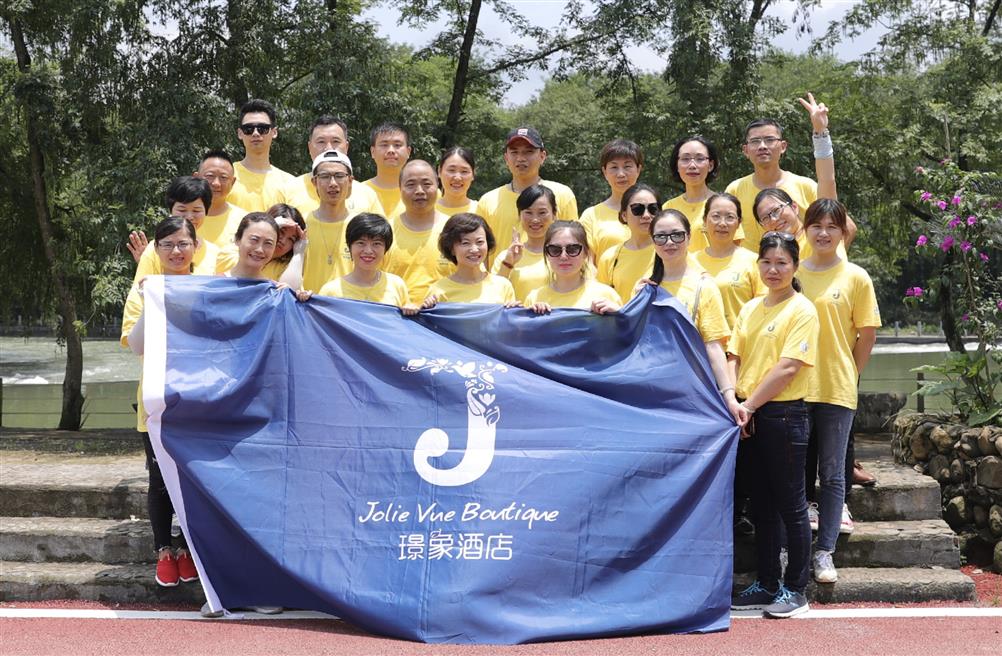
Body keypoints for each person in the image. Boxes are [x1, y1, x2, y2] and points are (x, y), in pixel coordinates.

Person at [728, 232, 819, 619]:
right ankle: (766, 583)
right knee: (762, 505)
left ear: (795, 266)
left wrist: (748, 404)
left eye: (782, 263)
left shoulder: (802, 310)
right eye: (766, 262)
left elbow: (788, 367)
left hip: (784, 416)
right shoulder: (750, 308)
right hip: (749, 416)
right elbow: (733, 355)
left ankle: (796, 589)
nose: (773, 269)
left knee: (792, 506)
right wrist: (734, 401)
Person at [798, 199, 880, 583]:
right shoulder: (792, 272)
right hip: (794, 390)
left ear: (843, 232)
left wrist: (849, 372)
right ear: (805, 230)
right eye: (817, 225)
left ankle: (824, 552)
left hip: (836, 389)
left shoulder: (856, 277)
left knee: (832, 476)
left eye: (833, 226)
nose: (824, 233)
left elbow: (867, 335)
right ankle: (792, 550)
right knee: (792, 474)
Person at [121, 216, 199, 589]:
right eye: (166, 244)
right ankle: (164, 550)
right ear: (156, 249)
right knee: (160, 479)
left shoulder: (207, 287)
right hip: (156, 399)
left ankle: (188, 547)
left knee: (193, 478)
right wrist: (151, 297)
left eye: (183, 243)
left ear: (196, 247)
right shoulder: (144, 288)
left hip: (197, 399)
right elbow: (136, 345)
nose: (175, 251)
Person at [645, 210, 741, 425]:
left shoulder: (704, 286)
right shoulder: (645, 287)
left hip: (692, 389)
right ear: (653, 241)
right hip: (652, 388)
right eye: (661, 236)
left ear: (688, 237)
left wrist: (729, 397)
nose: (669, 242)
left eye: (677, 235)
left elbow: (713, 346)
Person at [476, 126, 578, 264]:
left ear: (542, 156)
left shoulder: (563, 194)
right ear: (506, 158)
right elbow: (481, 252)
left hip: (552, 276)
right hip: (502, 275)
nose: (520, 158)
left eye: (528, 152)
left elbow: (575, 244)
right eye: (514, 152)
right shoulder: (488, 200)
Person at [296, 213, 415, 313]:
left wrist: (412, 310)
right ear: (350, 247)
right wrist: (304, 300)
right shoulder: (331, 291)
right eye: (361, 243)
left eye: (376, 244)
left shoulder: (396, 285)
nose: (368, 251)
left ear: (386, 249)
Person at [278, 114, 381, 217]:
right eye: (321, 142)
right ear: (309, 147)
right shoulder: (287, 191)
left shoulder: (367, 195)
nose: (328, 148)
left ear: (346, 147)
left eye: (335, 141)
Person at [131, 177, 230, 283]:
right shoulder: (154, 250)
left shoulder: (215, 254)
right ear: (171, 210)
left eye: (196, 211)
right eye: (182, 210)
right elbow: (139, 290)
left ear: (206, 211)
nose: (189, 217)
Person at [382, 160, 453, 305]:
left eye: (426, 184)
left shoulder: (454, 230)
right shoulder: (385, 232)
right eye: (411, 184)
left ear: (438, 186)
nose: (419, 190)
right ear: (400, 188)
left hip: (444, 314)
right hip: (396, 314)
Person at [693, 193, 764, 327]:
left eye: (730, 217)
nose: (722, 223)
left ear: (738, 223)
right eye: (716, 216)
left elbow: (763, 308)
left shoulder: (754, 261)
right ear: (705, 220)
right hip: (696, 338)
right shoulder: (691, 262)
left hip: (739, 338)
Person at [663, 135, 740, 253]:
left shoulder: (724, 204)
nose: (692, 165)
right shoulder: (668, 208)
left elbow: (735, 249)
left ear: (710, 165)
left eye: (699, 159)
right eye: (685, 159)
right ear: (677, 165)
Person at [423, 213, 518, 307]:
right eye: (465, 243)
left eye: (479, 242)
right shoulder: (438, 291)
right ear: (451, 249)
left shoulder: (503, 286)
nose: (474, 249)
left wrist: (514, 309)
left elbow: (510, 317)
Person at [525, 221, 620, 314]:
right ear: (547, 254)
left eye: (573, 249)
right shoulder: (534, 299)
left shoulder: (606, 296)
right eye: (555, 250)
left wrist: (617, 313)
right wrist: (533, 316)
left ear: (586, 253)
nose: (563, 256)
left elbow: (624, 324)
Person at [301, 150, 357, 293]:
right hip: (309, 304)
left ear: (350, 181)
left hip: (349, 304)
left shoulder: (360, 226)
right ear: (314, 182)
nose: (332, 183)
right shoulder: (302, 225)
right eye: (325, 176)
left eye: (339, 176)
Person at [491, 185, 557, 302]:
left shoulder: (568, 254)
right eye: (528, 212)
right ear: (519, 215)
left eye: (542, 212)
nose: (535, 219)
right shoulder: (506, 257)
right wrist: (508, 264)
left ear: (554, 214)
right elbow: (494, 296)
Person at [228, 99, 295, 212]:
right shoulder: (226, 177)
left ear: (274, 132)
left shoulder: (290, 183)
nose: (255, 133)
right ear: (240, 133)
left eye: (262, 128)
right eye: (248, 129)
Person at [596, 183, 659, 303]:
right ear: (624, 215)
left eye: (653, 209)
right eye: (637, 209)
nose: (646, 215)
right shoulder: (610, 257)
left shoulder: (671, 252)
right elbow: (601, 300)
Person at [579, 139, 642, 259]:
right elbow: (586, 263)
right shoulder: (591, 216)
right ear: (605, 172)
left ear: (638, 169)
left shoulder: (653, 211)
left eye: (627, 166)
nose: (621, 174)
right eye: (614, 167)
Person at [363, 122, 412, 217]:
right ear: (373, 152)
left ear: (408, 151)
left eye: (397, 145)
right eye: (384, 145)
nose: (391, 150)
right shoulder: (358, 192)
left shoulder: (425, 193)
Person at [223, 212, 282, 280]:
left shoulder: (273, 287)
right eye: (254, 239)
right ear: (237, 239)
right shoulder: (215, 284)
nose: (259, 250)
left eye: (268, 243)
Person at [436, 146, 478, 217]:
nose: (457, 178)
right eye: (451, 170)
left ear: (473, 174)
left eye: (464, 171)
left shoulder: (480, 210)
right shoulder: (425, 210)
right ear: (439, 171)